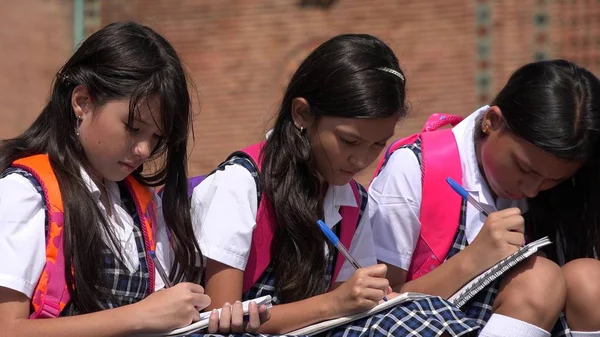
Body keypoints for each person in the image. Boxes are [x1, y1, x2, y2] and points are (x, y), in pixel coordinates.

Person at [193, 33, 482, 336]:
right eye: (349, 141)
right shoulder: (241, 184)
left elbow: (345, 315)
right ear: (302, 113)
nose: (361, 159)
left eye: (377, 145)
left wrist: (367, 300)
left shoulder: (353, 202)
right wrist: (334, 303)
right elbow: (219, 320)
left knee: (426, 313)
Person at [0, 21, 268, 337]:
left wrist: (205, 318)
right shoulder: (24, 194)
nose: (143, 149)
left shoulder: (140, 204)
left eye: (156, 136)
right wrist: (139, 315)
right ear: (82, 102)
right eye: (132, 127)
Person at [369, 59, 600, 337]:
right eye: (524, 168)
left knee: (590, 280)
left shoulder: (565, 191)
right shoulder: (415, 167)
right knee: (538, 278)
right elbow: (377, 307)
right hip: (425, 325)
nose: (531, 190)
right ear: (492, 122)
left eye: (553, 181)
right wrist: (474, 259)